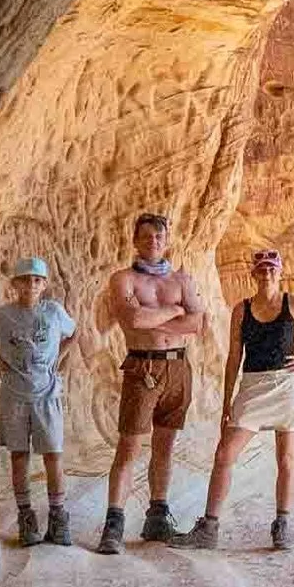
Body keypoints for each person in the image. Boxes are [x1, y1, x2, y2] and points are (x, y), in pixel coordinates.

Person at [169, 248, 294, 552]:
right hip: (253, 385)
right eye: (261, 269)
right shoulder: (242, 309)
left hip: (287, 386)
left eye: (272, 268)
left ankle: (282, 524)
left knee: (286, 458)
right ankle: (209, 527)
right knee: (225, 454)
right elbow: (234, 357)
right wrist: (225, 404)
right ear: (254, 274)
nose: (267, 273)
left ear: (280, 272)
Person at [97, 211, 205, 554]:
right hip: (142, 367)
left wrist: (159, 321)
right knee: (129, 446)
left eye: (159, 236)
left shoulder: (182, 280)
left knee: (165, 445)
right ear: (135, 240)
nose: (153, 242)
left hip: (177, 368)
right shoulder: (123, 279)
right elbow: (134, 318)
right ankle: (113, 524)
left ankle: (157, 515)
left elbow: (198, 324)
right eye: (146, 236)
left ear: (166, 240)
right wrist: (176, 312)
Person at [0, 256, 77, 548]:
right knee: (19, 456)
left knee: (53, 454)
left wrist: (57, 359)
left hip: (46, 394)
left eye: (37, 280)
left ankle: (57, 517)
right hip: (14, 396)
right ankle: (26, 517)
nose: (31, 285)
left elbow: (74, 333)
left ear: (44, 284)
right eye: (25, 280)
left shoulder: (53, 312)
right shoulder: (3, 316)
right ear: (15, 284)